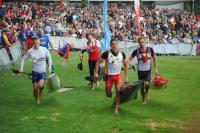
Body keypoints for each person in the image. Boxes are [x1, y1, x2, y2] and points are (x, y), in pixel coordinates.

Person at [95, 39, 128, 114]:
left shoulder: (122, 53)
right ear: (110, 45)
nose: (114, 45)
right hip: (109, 76)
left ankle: (116, 108)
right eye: (113, 44)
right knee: (108, 94)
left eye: (116, 44)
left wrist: (126, 76)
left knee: (119, 92)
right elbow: (97, 62)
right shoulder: (106, 53)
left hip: (118, 76)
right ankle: (110, 91)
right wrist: (96, 73)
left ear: (117, 45)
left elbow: (126, 64)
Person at [19, 37, 52, 105]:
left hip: (42, 72)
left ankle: (40, 95)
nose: (36, 44)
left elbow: (49, 58)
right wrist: (21, 68)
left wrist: (49, 67)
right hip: (34, 72)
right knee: (35, 88)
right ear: (33, 43)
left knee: (40, 86)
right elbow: (23, 59)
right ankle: (36, 99)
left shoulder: (44, 49)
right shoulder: (30, 51)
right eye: (35, 43)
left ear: (39, 42)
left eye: (37, 43)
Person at [129, 37, 158, 104]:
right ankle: (144, 99)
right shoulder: (136, 51)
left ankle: (146, 93)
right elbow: (130, 59)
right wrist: (129, 64)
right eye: (140, 43)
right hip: (140, 71)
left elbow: (154, 58)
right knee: (141, 86)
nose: (142, 44)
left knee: (147, 84)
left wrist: (156, 68)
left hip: (148, 70)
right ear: (138, 43)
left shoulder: (150, 49)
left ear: (145, 42)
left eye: (143, 42)